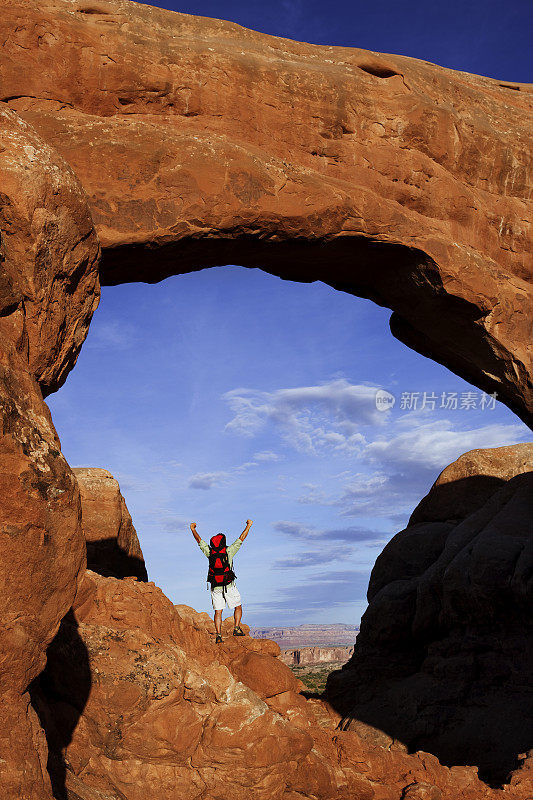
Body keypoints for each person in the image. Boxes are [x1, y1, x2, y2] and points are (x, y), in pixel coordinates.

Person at [190, 519, 253, 643]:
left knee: (218, 612)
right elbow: (241, 538)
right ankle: (236, 628)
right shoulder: (228, 551)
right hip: (229, 585)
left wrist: (193, 529)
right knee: (238, 606)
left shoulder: (210, 553)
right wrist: (248, 525)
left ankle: (218, 636)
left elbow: (199, 541)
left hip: (215, 586)